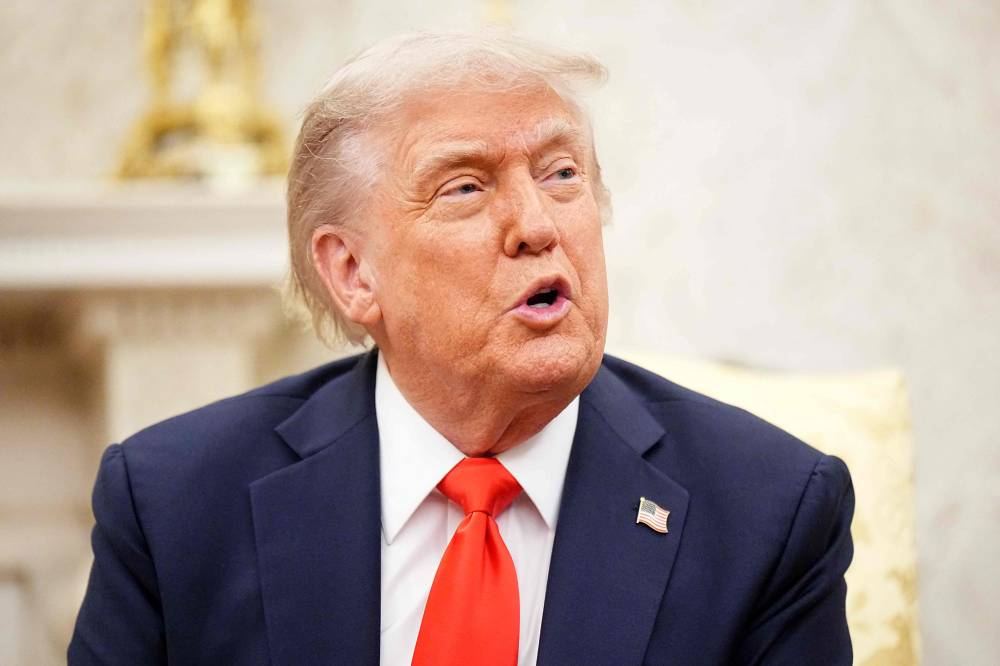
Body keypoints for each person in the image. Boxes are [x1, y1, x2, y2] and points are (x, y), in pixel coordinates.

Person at [68, 32, 854, 665]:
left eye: (561, 173)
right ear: (352, 272)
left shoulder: (769, 512)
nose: (538, 225)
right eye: (467, 187)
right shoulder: (173, 506)